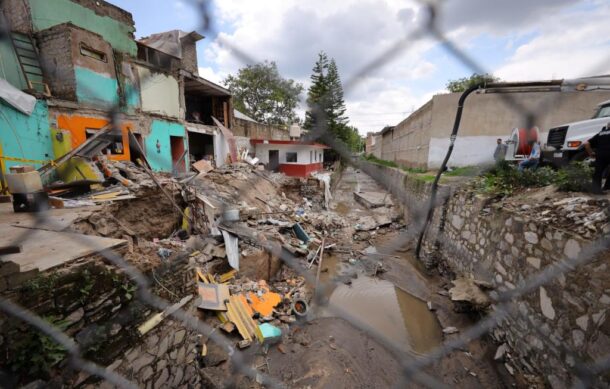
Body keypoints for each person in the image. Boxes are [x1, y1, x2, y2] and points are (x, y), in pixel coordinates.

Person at [584, 124, 610, 193]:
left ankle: (596, 190)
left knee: (598, 172)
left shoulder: (601, 133)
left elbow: (586, 144)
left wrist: (591, 153)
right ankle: (607, 187)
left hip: (600, 155)